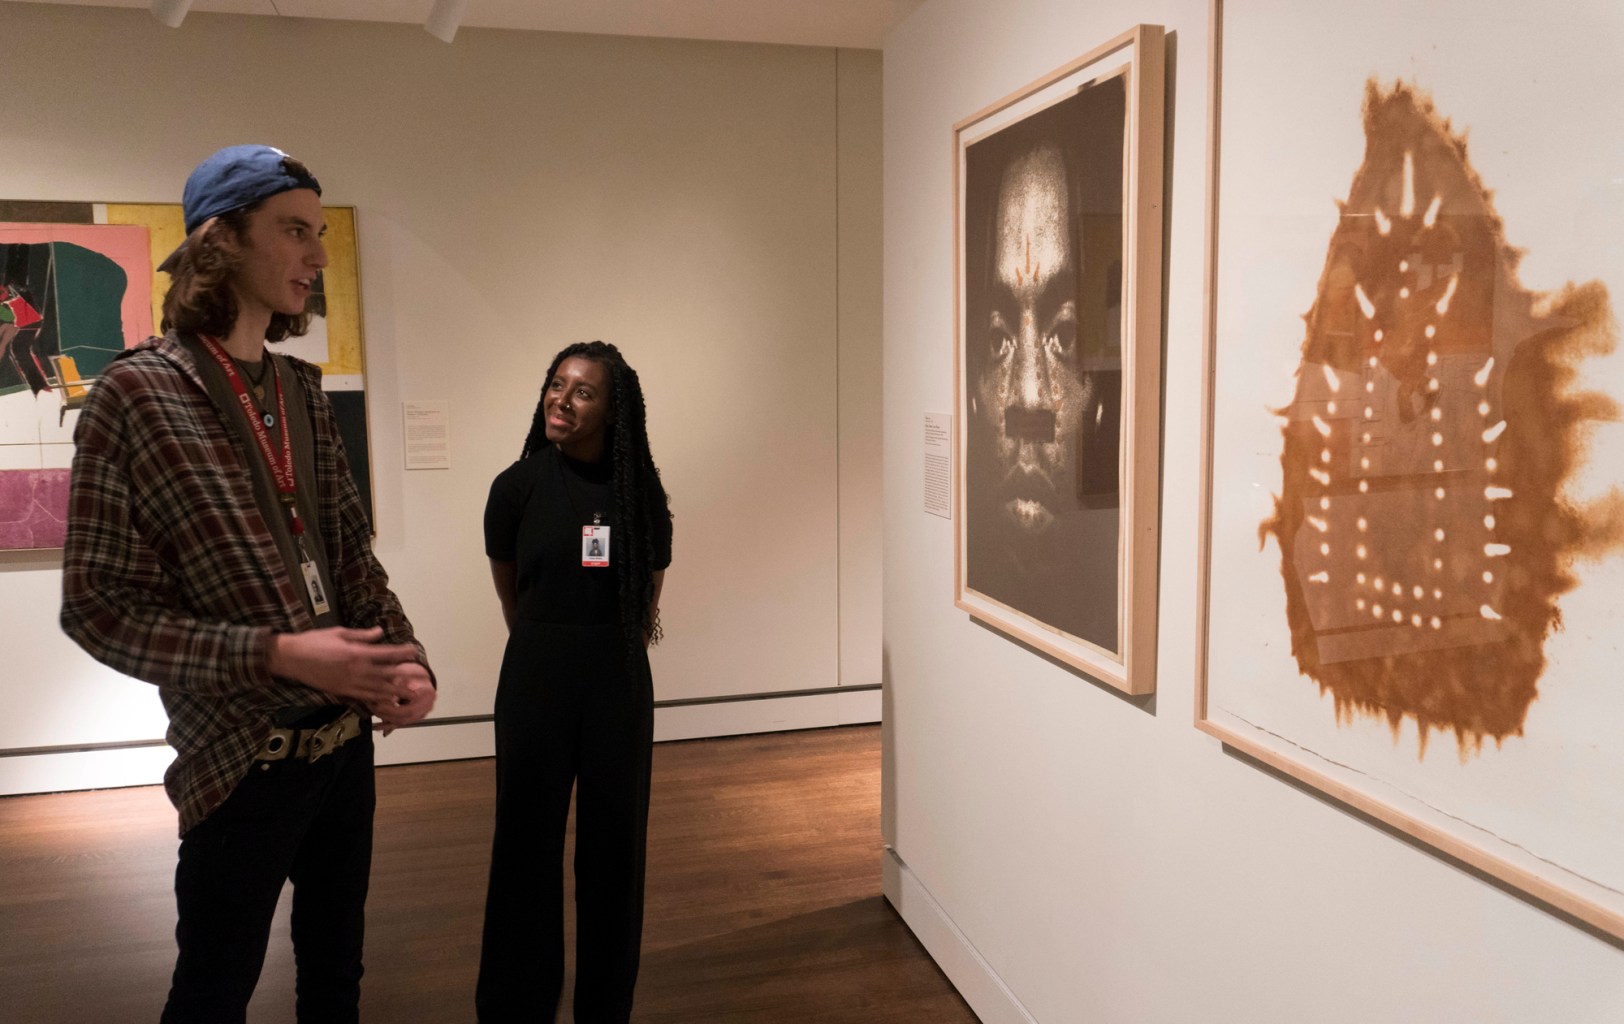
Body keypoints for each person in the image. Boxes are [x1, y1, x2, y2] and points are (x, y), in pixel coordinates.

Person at [59, 144, 435, 1024]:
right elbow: (99, 610)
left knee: (336, 975)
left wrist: (404, 657)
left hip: (345, 748)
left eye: (318, 233)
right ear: (222, 240)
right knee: (214, 990)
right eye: (294, 231)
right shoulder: (135, 396)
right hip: (240, 765)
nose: (317, 254)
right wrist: (276, 653)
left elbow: (351, 556)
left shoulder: (303, 391)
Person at [477, 340, 672, 1024]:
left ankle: (603, 1008)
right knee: (524, 844)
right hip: (536, 676)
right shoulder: (517, 486)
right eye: (556, 385)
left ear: (614, 410)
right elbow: (512, 588)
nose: (562, 399)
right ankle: (516, 1006)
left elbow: (647, 592)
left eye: (583, 391)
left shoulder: (639, 493)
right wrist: (546, 639)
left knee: (614, 852)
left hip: (617, 681)